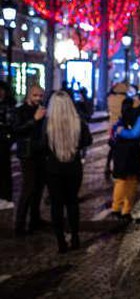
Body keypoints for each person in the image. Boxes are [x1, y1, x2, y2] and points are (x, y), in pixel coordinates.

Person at [41, 91, 93, 253]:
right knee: (72, 202)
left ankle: (61, 242)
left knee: (56, 205)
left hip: (54, 168)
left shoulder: (47, 123)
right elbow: (88, 141)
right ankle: (75, 237)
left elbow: (42, 146)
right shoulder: (78, 122)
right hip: (73, 167)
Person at [13, 85, 47, 234]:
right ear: (28, 95)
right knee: (28, 187)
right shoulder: (20, 111)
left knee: (39, 187)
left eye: (40, 96)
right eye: (35, 95)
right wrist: (34, 119)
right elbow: (17, 130)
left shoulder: (42, 109)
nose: (38, 98)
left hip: (41, 152)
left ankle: (35, 219)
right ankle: (19, 224)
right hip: (27, 154)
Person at [105, 82, 129, 178]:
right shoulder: (125, 100)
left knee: (112, 146)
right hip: (121, 125)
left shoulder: (110, 98)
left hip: (112, 125)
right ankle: (118, 167)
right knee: (121, 147)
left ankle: (107, 165)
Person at [0, 81, 16, 210]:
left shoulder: (8, 106)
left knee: (5, 170)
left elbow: (10, 124)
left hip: (3, 141)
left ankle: (7, 197)